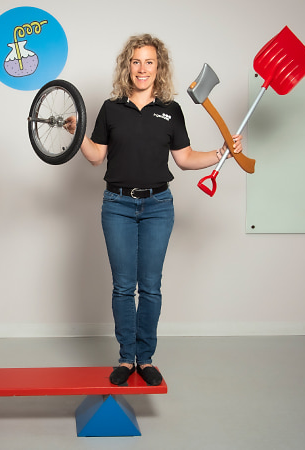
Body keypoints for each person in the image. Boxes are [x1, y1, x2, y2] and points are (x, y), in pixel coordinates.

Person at [65, 34, 244, 386]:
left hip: (158, 206)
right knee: (122, 287)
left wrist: (223, 152)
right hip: (116, 205)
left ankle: (144, 359)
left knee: (150, 287)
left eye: (149, 61)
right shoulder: (111, 108)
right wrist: (77, 134)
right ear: (126, 66)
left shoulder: (171, 110)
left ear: (158, 67)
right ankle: (124, 358)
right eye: (136, 61)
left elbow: (186, 159)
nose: (142, 68)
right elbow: (96, 156)